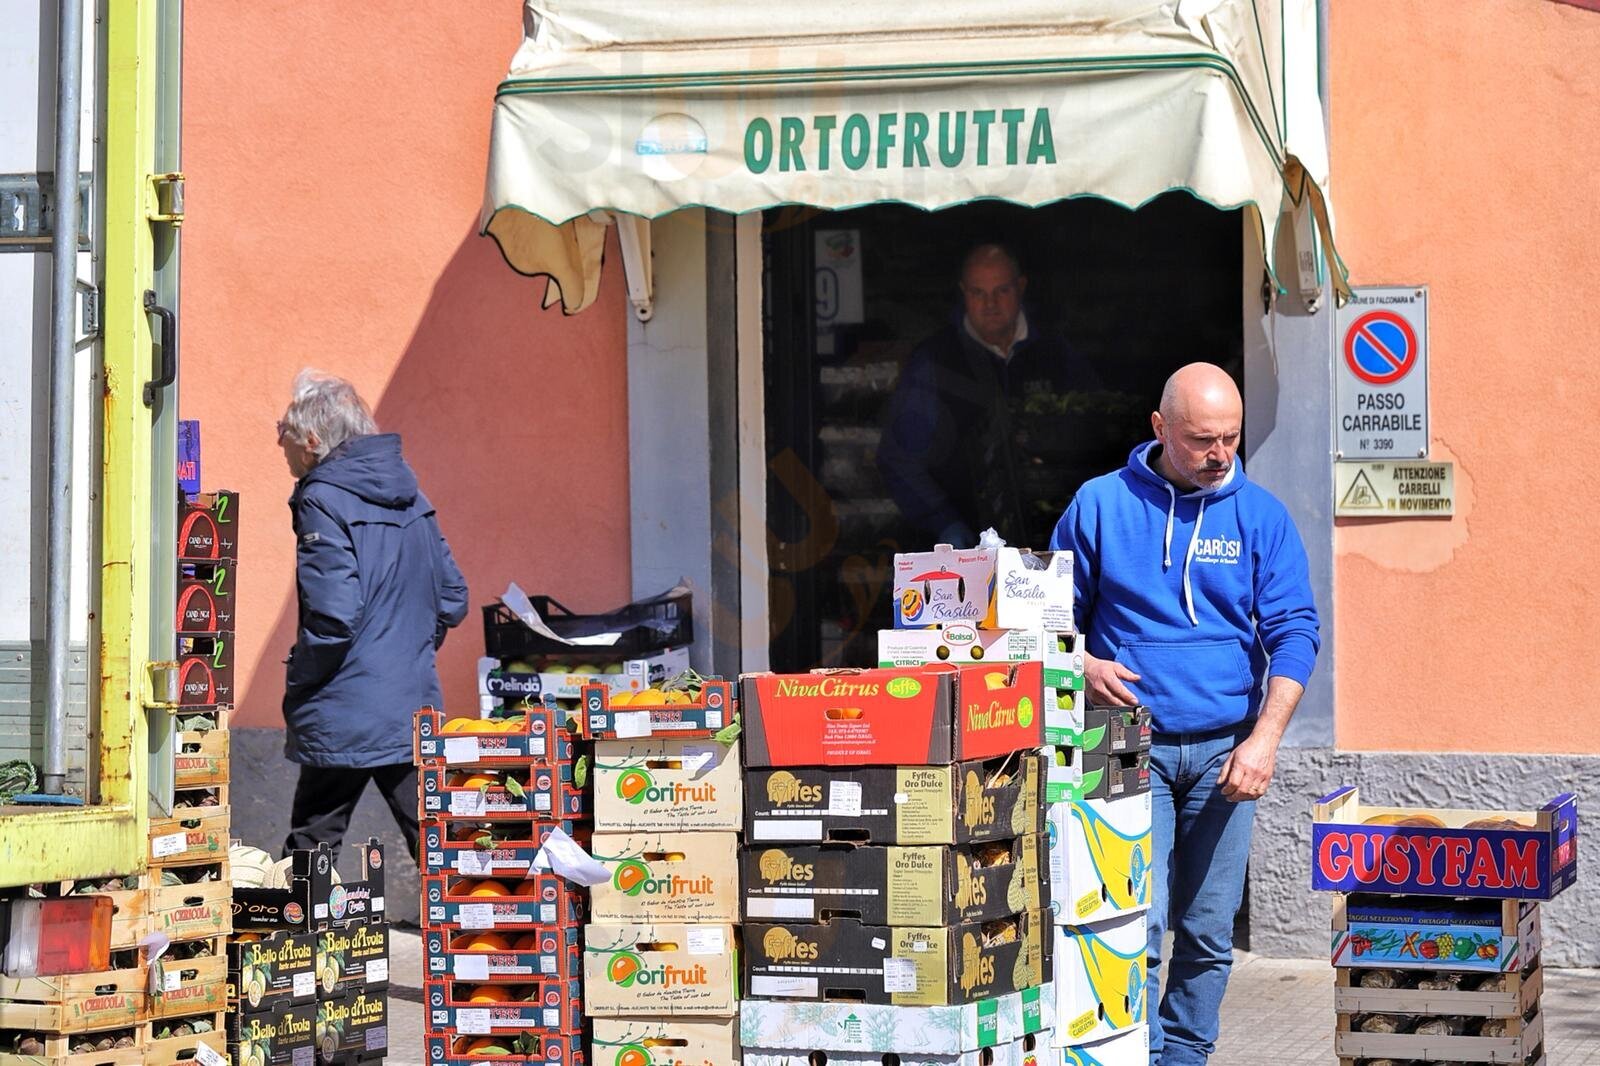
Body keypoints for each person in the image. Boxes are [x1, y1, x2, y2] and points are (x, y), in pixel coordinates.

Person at [1048, 363, 1320, 1066]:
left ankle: (1187, 1056)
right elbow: (1042, 617)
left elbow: (1296, 631)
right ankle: (1134, 1053)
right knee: (1134, 928)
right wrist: (1080, 662)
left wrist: (1265, 739)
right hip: (1123, 744)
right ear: (1160, 428)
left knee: (1205, 929)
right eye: (1202, 439)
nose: (1219, 454)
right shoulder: (1100, 504)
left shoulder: (1262, 516)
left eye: (1230, 437)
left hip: (1227, 752)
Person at [276, 369, 469, 862]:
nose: (283, 450)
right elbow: (453, 598)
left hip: (344, 699)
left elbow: (334, 614)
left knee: (314, 836)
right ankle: (469, 927)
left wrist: (301, 675)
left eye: (286, 438)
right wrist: (406, 654)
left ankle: (300, 930)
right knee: (433, 835)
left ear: (313, 441)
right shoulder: (413, 493)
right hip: (410, 699)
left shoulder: (321, 497)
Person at [877, 243, 1101, 549]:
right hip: (965, 552)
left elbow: (1097, 439)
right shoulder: (934, 361)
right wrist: (945, 522)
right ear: (963, 292)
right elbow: (899, 458)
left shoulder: (1058, 355)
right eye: (978, 293)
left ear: (1021, 287)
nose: (990, 304)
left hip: (1053, 543)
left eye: (1001, 291)